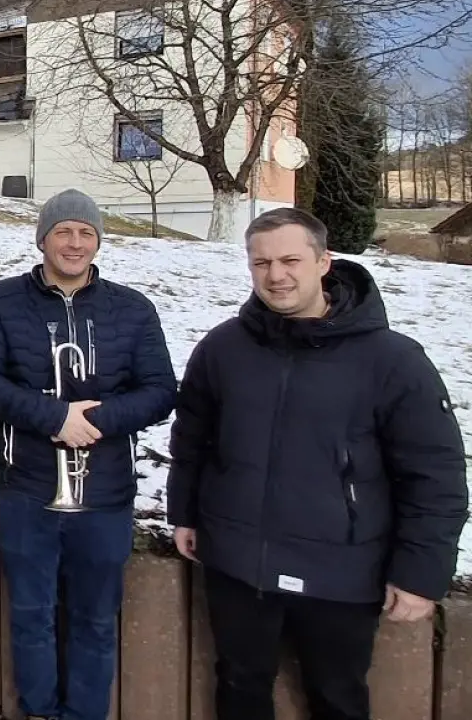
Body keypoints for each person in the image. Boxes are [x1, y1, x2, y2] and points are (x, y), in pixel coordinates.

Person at [169, 208, 468, 720]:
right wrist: (187, 513)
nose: (276, 275)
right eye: (261, 262)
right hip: (239, 561)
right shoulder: (223, 347)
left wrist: (421, 571)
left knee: (337, 697)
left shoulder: (392, 360)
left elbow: (434, 472)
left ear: (324, 260)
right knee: (239, 685)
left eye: (290, 260)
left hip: (342, 570)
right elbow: (192, 440)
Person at [0, 189, 177, 720]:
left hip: (104, 495)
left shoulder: (133, 308)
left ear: (98, 241)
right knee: (31, 616)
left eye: (86, 232)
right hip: (28, 490)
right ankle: (38, 711)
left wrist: (92, 423)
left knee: (97, 620)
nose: (75, 243)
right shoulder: (1, 302)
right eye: (63, 231)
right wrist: (55, 418)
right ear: (43, 239)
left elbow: (160, 389)